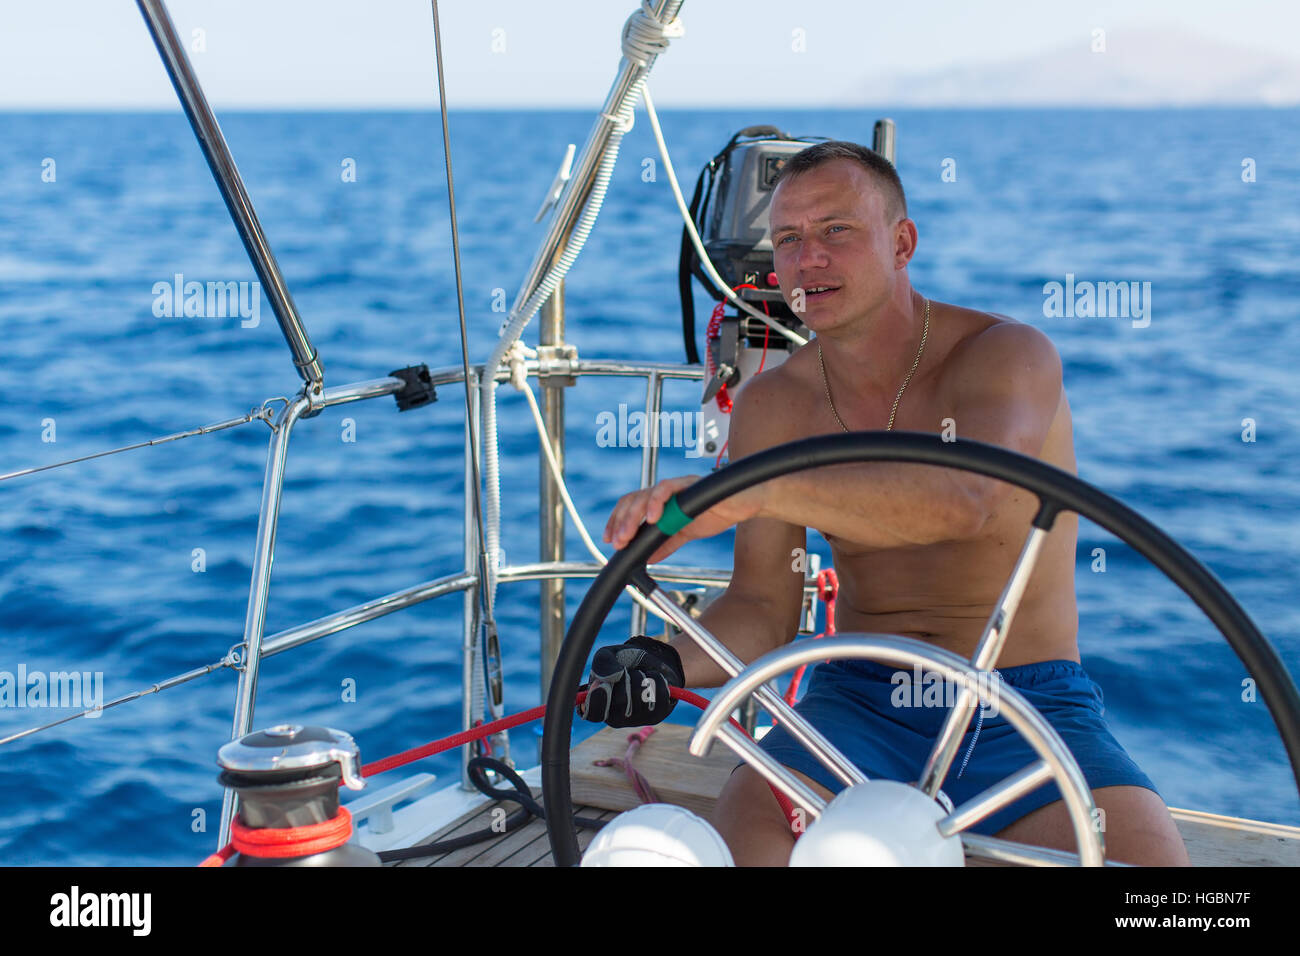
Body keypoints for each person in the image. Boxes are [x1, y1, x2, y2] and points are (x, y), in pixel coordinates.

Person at [580, 140, 1189, 867]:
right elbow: (764, 610)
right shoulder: (775, 404)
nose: (809, 260)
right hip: (858, 699)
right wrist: (663, 663)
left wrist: (753, 490)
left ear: (902, 242)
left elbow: (971, 499)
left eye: (836, 231)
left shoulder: (1007, 354)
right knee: (752, 850)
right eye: (790, 240)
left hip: (1024, 702)